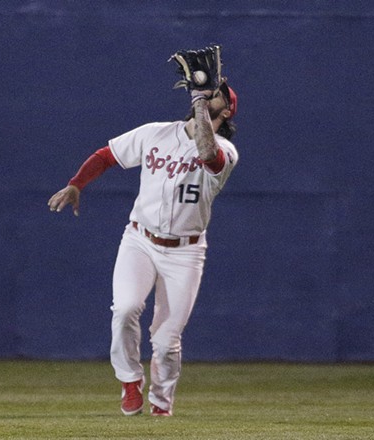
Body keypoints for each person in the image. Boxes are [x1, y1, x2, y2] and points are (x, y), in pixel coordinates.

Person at [48, 74, 239, 416]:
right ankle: (129, 380)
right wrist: (77, 184)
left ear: (226, 113)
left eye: (218, 95)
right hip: (140, 239)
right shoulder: (156, 133)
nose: (211, 94)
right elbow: (107, 155)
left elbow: (207, 153)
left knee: (166, 341)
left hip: (186, 251)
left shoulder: (226, 150)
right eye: (208, 91)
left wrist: (198, 101)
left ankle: (161, 404)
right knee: (124, 309)